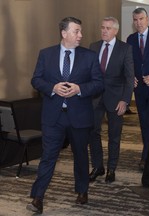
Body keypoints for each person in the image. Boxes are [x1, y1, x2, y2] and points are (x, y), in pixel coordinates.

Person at [26, 17, 104, 214]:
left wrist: (79, 89)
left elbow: (98, 84)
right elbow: (36, 80)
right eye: (77, 31)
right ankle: (37, 198)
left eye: (80, 31)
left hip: (80, 116)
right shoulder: (46, 54)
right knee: (48, 157)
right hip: (54, 117)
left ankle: (82, 190)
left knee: (80, 155)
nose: (81, 35)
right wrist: (52, 87)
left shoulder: (90, 56)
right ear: (64, 33)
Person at [88, 17, 134, 183]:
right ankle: (98, 167)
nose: (104, 31)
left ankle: (111, 169)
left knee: (114, 136)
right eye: (102, 27)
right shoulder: (93, 47)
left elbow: (130, 78)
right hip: (95, 98)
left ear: (115, 31)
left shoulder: (125, 49)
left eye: (108, 28)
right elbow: (89, 73)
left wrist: (125, 100)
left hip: (116, 99)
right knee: (93, 132)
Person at [127, 8, 149, 171]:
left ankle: (146, 157)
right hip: (138, 89)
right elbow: (129, 62)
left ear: (147, 19)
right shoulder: (131, 39)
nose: (138, 23)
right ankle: (148, 155)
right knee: (144, 123)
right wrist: (130, 75)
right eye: (135, 20)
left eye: (141, 19)